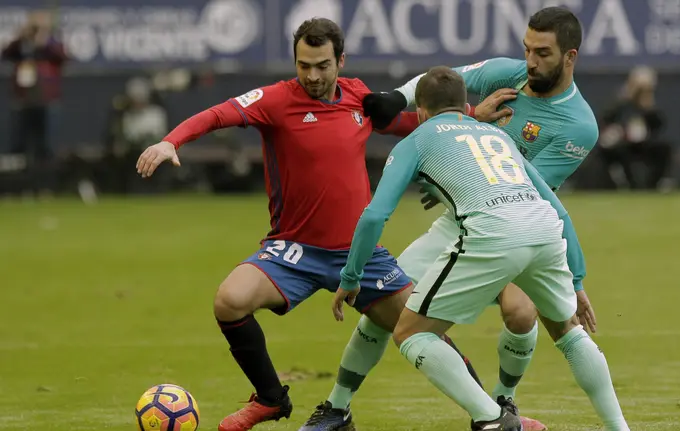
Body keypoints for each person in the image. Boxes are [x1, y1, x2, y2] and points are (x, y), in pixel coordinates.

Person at [135, 18, 499, 431]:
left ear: (340, 61)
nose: (311, 75)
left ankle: (491, 414)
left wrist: (470, 114)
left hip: (360, 255)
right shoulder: (274, 100)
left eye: (322, 65)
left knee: (420, 331)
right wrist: (171, 141)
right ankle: (272, 399)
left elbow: (415, 123)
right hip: (294, 251)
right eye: (303, 65)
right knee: (229, 301)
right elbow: (218, 115)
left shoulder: (361, 98)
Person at [354, 7, 629, 431]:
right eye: (527, 49)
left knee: (525, 315)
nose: (531, 62)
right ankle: (338, 406)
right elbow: (439, 83)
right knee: (380, 301)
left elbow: (523, 181)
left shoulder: (579, 125)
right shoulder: (506, 73)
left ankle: (501, 408)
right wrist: (397, 98)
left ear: (570, 56)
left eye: (543, 53)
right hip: (466, 219)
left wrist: (455, 146)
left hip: (506, 215)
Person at [1, 9, 66, 195]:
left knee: (45, 147)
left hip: (46, 101)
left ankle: (45, 187)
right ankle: (21, 187)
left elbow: (62, 57)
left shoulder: (51, 44)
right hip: (24, 101)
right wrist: (22, 35)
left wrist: (44, 39)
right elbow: (6, 53)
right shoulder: (22, 45)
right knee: (20, 146)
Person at [599, 66, 671, 190]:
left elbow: (658, 126)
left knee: (663, 148)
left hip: (644, 142)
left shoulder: (649, 104)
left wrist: (649, 108)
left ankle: (653, 184)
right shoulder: (622, 102)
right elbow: (607, 118)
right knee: (620, 151)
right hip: (624, 142)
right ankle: (631, 184)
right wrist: (625, 98)